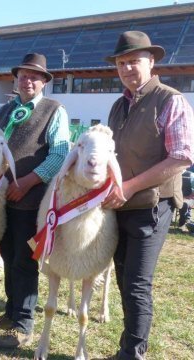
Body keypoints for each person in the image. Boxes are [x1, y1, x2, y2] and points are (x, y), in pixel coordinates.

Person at [102, 31, 194, 360]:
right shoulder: (118, 105)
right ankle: (130, 348)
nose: (127, 68)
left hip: (153, 207)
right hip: (121, 206)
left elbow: (182, 156)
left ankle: (132, 354)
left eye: (134, 61)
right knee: (123, 277)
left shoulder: (171, 100)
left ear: (151, 62)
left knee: (137, 283)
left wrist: (128, 186)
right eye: (121, 63)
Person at [0, 53, 70, 349]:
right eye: (23, 75)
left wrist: (28, 182)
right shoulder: (6, 110)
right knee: (7, 254)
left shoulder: (54, 110)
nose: (27, 80)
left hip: (31, 199)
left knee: (24, 260)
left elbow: (59, 154)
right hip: (0, 198)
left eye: (34, 76)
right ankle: (10, 312)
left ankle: (23, 325)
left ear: (44, 82)